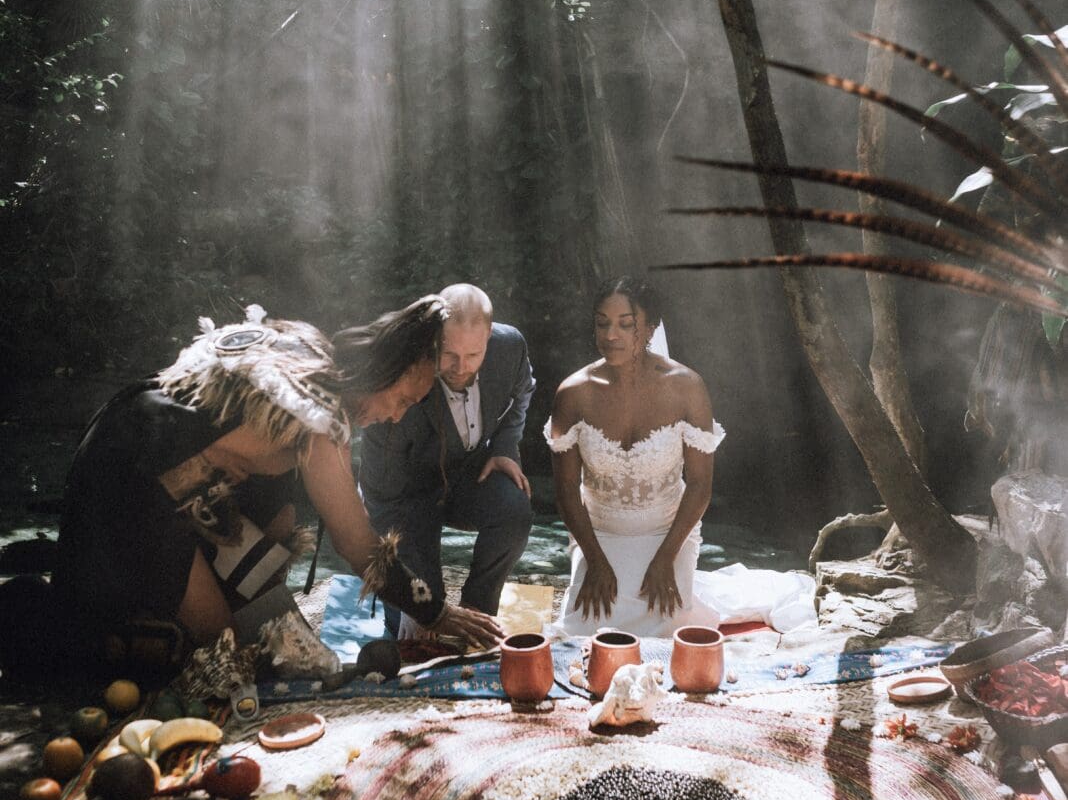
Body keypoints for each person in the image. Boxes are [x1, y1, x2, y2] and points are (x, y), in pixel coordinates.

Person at [49, 300, 503, 667]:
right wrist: (436, 612)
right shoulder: (320, 413)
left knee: (281, 521)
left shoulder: (313, 355)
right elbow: (357, 544)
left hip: (155, 451)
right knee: (225, 657)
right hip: (134, 466)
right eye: (402, 399)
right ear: (383, 371)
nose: (396, 415)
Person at [546, 276, 816, 637]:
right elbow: (566, 490)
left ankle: (681, 580)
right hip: (599, 534)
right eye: (602, 322)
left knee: (666, 626)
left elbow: (700, 484)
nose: (611, 335)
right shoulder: (573, 393)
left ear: (650, 328)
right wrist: (594, 560)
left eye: (626, 324)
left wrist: (665, 560)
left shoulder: (687, 388)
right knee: (585, 629)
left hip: (667, 532)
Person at [359, 283, 535, 636]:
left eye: (474, 355)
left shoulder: (510, 346)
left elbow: (523, 391)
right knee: (420, 623)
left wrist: (504, 447)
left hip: (471, 478)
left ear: (489, 337)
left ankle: (479, 608)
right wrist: (415, 597)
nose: (461, 367)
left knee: (515, 508)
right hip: (406, 498)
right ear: (432, 339)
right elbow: (382, 498)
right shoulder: (396, 382)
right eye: (450, 354)